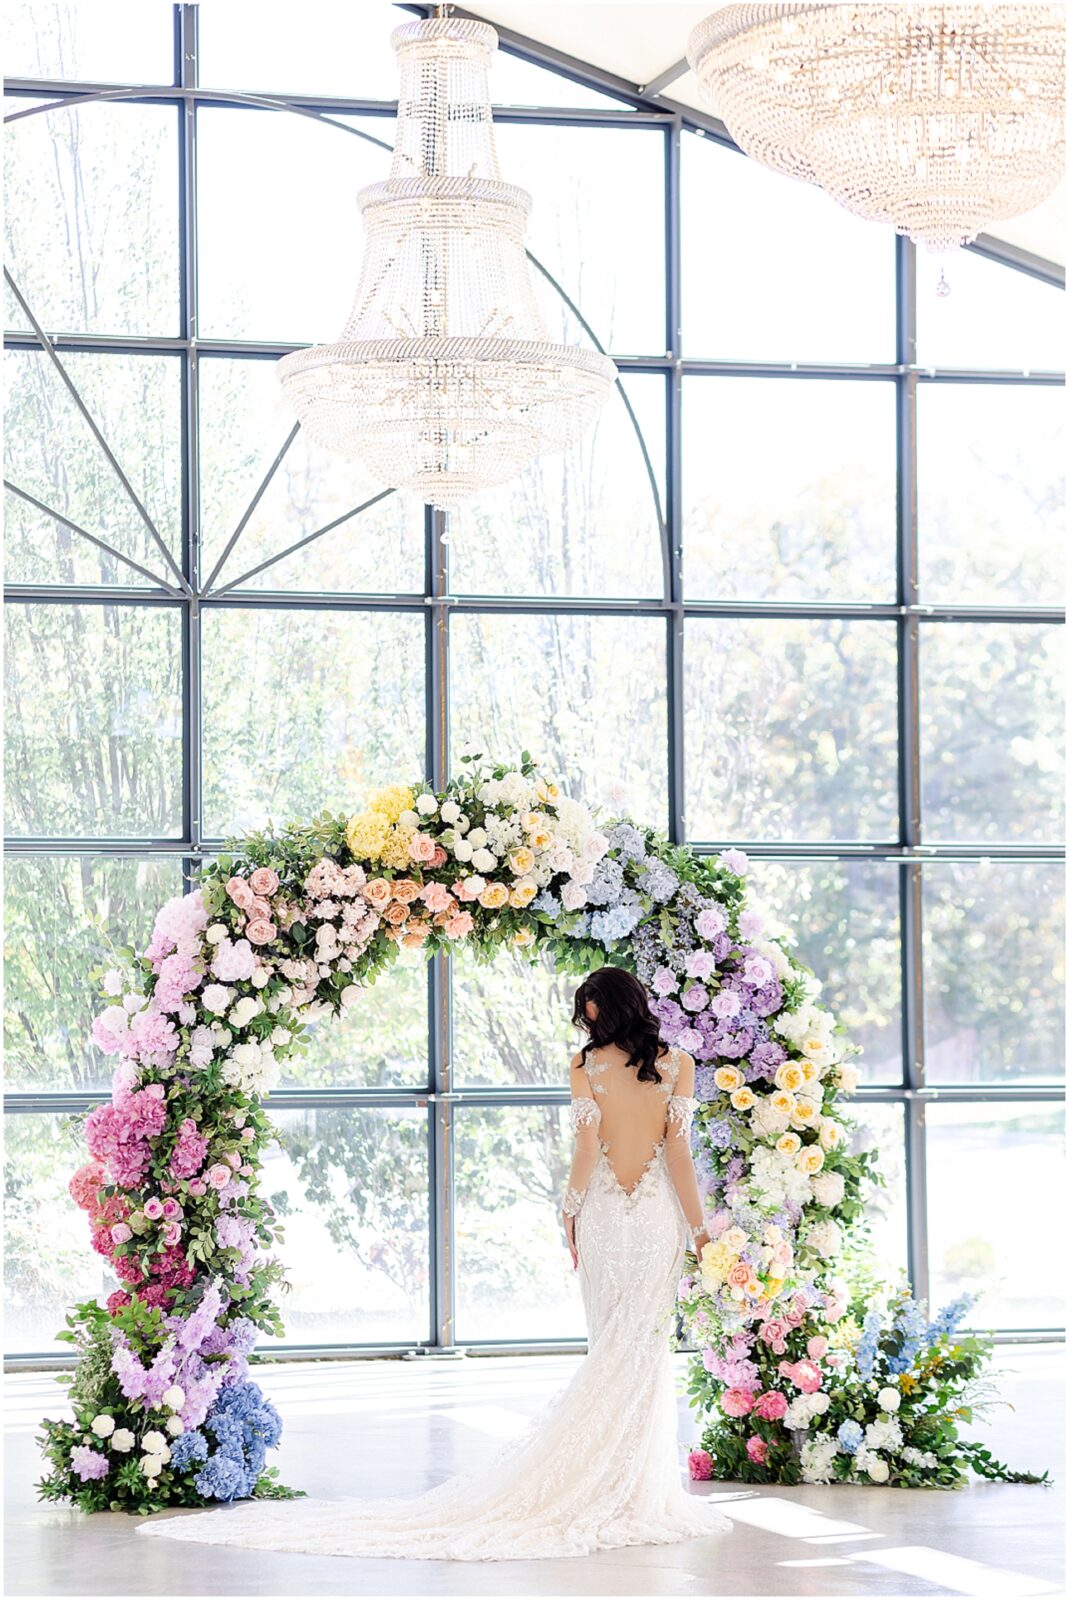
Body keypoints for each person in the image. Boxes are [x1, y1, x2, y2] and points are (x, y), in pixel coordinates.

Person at [136, 965, 733, 1562]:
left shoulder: (586, 1066)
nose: (585, 1022)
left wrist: (570, 1212)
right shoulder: (678, 1063)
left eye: (589, 1010)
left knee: (611, 1342)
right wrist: (700, 1232)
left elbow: (586, 1148)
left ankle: (615, 1481)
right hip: (657, 1217)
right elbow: (676, 1152)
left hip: (603, 1212)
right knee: (641, 1347)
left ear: (608, 1006)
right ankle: (632, 1487)